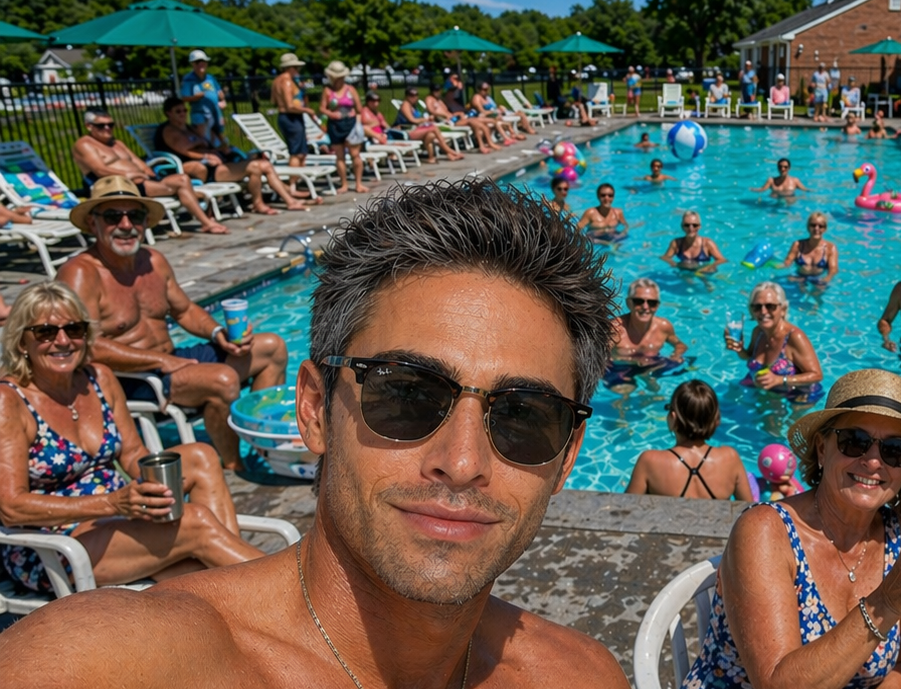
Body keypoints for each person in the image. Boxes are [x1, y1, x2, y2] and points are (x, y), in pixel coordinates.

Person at [0, 179, 632, 688]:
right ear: (314, 409)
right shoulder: (117, 661)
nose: (462, 462)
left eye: (523, 415)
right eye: (406, 394)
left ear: (567, 456)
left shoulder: (580, 677)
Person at [681, 369, 901, 688]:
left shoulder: (898, 538)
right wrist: (885, 603)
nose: (874, 461)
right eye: (855, 442)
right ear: (821, 448)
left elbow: (898, 665)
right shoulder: (765, 531)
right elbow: (776, 684)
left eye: (894, 449)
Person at [0, 281, 263, 593]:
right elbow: (11, 507)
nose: (63, 341)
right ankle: (282, 589)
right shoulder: (9, 401)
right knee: (197, 523)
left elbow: (133, 454)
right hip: (54, 543)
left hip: (116, 520)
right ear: (22, 341)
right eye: (45, 332)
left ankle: (239, 597)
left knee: (200, 458)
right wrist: (111, 504)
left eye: (74, 329)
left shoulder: (98, 378)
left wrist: (155, 485)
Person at [55, 176, 289, 471]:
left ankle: (264, 450)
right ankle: (236, 466)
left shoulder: (153, 260)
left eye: (135, 215)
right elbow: (83, 346)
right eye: (113, 216)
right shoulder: (80, 273)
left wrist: (218, 333)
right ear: (93, 222)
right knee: (223, 379)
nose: (126, 225)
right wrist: (160, 361)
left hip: (171, 361)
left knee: (272, 348)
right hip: (131, 378)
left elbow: (185, 310)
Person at [71, 108, 228, 235]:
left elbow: (138, 161)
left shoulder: (116, 143)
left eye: (110, 125)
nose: (107, 128)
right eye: (101, 126)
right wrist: (131, 175)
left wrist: (149, 173)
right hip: (120, 187)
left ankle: (203, 210)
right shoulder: (85, 144)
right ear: (89, 126)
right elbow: (101, 170)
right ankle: (206, 223)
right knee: (182, 182)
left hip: (143, 182)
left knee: (183, 180)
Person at [155, 98, 308, 216]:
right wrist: (206, 155)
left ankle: (288, 199)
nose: (183, 114)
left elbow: (205, 143)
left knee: (263, 164)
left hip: (215, 163)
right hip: (203, 169)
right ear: (168, 113)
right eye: (178, 111)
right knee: (255, 167)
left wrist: (217, 148)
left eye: (184, 110)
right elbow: (185, 150)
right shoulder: (169, 131)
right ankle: (261, 203)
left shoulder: (189, 129)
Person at [625, 380, 751, 500]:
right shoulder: (730, 458)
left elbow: (624, 509)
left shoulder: (650, 461)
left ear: (673, 418)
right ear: (716, 420)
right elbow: (753, 510)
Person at [725, 281, 823, 404]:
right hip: (767, 392)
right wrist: (739, 349)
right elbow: (749, 357)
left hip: (798, 396)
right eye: (757, 307)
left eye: (770, 306)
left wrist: (780, 380)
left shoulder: (794, 337)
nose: (763, 312)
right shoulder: (758, 332)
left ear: (783, 309)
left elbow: (817, 375)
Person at [606, 278, 687, 389]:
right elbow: (599, 356)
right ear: (629, 303)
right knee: (624, 392)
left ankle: (647, 381)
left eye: (652, 303)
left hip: (652, 366)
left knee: (683, 364)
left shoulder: (663, 326)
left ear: (657, 306)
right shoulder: (616, 329)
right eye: (639, 301)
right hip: (621, 367)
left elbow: (680, 345)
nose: (645, 307)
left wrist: (675, 356)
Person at [362, 91, 461, 163]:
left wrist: (389, 129)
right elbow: (412, 120)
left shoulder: (377, 113)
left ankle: (432, 158)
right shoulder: (364, 112)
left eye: (378, 101)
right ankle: (450, 151)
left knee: (431, 135)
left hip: (395, 133)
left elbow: (386, 126)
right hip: (404, 132)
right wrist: (425, 120)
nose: (376, 103)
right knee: (433, 128)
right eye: (373, 101)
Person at [317, 61, 368, 194]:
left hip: (350, 123)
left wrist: (356, 118)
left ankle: (358, 183)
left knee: (355, 155)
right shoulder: (328, 91)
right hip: (335, 125)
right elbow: (322, 108)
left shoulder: (350, 89)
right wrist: (331, 114)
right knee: (340, 156)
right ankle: (344, 183)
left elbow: (359, 108)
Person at [269, 53, 315, 172]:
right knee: (297, 153)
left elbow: (273, 101)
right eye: (297, 67)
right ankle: (294, 181)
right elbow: (290, 106)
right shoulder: (287, 81)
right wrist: (307, 110)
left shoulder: (276, 81)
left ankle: (299, 179)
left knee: (301, 152)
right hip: (291, 118)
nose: (298, 70)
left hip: (285, 117)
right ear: (290, 68)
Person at [781, 211, 840, 286]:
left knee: (818, 291)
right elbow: (787, 263)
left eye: (820, 226)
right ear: (808, 227)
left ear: (825, 229)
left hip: (819, 279)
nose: (816, 228)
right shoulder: (798, 245)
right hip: (799, 277)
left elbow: (833, 270)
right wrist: (774, 265)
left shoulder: (830, 248)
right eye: (813, 225)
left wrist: (826, 279)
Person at [660, 211, 726, 272]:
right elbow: (665, 258)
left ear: (699, 226)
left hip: (704, 272)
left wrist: (709, 267)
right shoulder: (676, 243)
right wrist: (675, 264)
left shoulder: (707, 243)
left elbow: (722, 260)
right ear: (682, 227)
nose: (691, 228)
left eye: (694, 225)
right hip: (685, 271)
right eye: (687, 225)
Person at [178, 50, 225, 136]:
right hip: (199, 114)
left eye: (203, 61)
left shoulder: (210, 78)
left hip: (215, 112)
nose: (201, 64)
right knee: (202, 138)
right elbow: (183, 98)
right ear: (192, 64)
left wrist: (223, 101)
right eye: (197, 62)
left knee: (218, 136)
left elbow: (219, 92)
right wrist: (195, 97)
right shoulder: (188, 79)